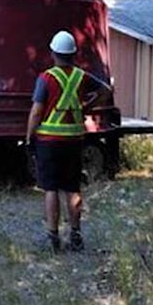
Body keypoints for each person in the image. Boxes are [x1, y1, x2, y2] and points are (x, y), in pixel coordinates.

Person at [25, 30, 108, 253]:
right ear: (73, 54)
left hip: (49, 141)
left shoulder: (46, 78)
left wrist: (28, 136)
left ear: (53, 53)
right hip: (74, 140)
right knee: (72, 187)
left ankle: (53, 238)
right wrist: (86, 107)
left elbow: (36, 112)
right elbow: (105, 90)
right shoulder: (82, 77)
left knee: (50, 188)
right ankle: (76, 235)